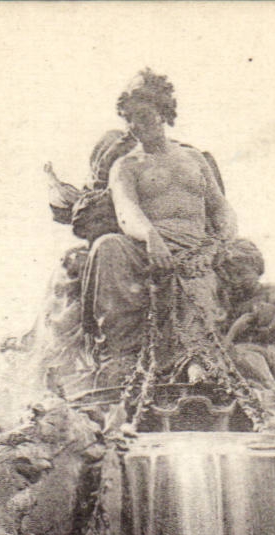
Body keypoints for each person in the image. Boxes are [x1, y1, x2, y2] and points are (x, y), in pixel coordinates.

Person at [80, 70, 238, 385]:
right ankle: (121, 352)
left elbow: (221, 208)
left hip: (196, 246)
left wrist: (218, 244)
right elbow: (127, 211)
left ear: (163, 113)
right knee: (107, 247)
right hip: (146, 247)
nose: (136, 126)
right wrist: (151, 237)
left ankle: (195, 359)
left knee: (200, 281)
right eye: (129, 119)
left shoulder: (195, 158)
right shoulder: (126, 165)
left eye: (143, 115)